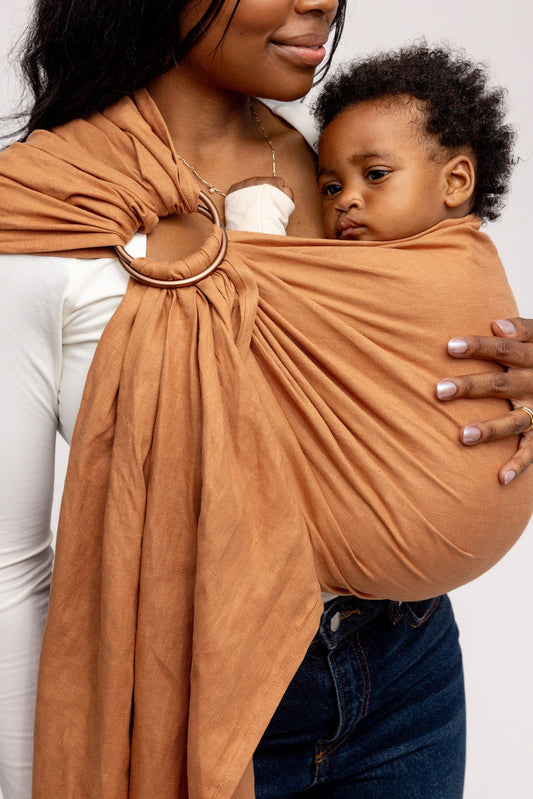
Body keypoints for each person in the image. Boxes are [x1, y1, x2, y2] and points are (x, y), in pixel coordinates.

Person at [0, 4, 533, 799]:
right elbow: (11, 571)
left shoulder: (342, 160)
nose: (318, 1)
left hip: (408, 669)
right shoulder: (48, 217)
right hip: (195, 689)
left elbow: (414, 347)